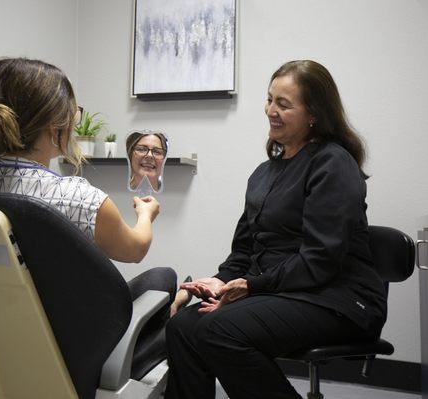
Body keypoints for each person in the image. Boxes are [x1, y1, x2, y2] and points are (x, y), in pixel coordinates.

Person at [165, 60, 387, 399]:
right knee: (183, 325)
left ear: (314, 114)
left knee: (217, 329)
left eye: (283, 104)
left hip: (338, 299)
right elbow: (244, 251)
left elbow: (320, 259)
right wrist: (219, 282)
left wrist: (252, 286)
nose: (271, 110)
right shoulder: (263, 174)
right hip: (283, 292)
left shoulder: (332, 163)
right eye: (270, 100)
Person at [0, 57, 181, 331]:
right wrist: (146, 215)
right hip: (66, 344)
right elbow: (135, 249)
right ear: (56, 126)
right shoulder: (76, 197)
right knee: (164, 279)